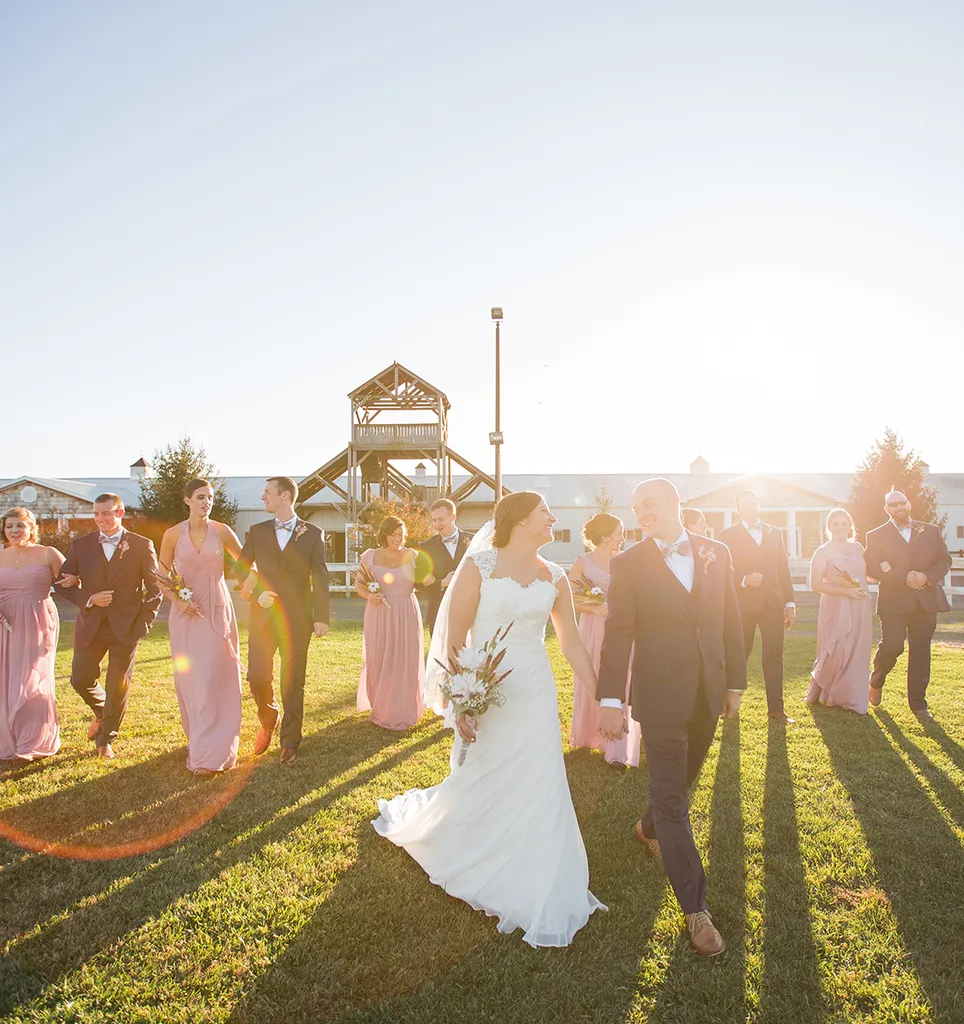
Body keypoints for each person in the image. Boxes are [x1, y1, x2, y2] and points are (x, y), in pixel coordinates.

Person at [372, 492, 606, 947]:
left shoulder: (555, 576)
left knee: (540, 775)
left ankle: (538, 866)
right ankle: (473, 843)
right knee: (486, 769)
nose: (552, 517)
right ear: (519, 520)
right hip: (487, 688)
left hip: (534, 689)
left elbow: (571, 643)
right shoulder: (479, 566)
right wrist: (463, 696)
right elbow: (456, 636)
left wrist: (602, 695)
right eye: (544, 512)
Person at [598, 479, 745, 957]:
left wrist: (734, 684)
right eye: (636, 507)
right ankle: (695, 908)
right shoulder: (627, 563)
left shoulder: (717, 552)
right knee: (672, 797)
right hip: (660, 695)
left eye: (650, 504)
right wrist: (611, 699)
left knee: (681, 783)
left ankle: (647, 827)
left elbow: (730, 620)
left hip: (708, 692)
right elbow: (618, 633)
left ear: (677, 503)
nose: (642, 513)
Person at [56, 493, 162, 759]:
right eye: (96, 514)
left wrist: (145, 623)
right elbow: (62, 584)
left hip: (127, 627)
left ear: (120, 513)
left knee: (117, 685)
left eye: (106, 513)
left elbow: (155, 589)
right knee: (80, 678)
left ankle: (106, 740)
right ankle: (102, 711)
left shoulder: (141, 545)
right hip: (91, 625)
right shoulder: (81, 544)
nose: (100, 519)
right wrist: (89, 598)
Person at [237, 476, 330, 766]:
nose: (263, 497)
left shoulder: (313, 533)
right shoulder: (257, 531)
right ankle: (269, 717)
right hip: (263, 618)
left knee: (292, 682)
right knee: (256, 676)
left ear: (285, 496)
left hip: (297, 620)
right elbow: (240, 568)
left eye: (268, 492)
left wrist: (321, 617)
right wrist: (257, 592)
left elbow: (320, 575)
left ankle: (290, 742)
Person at [158, 479, 244, 774]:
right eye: (200, 497)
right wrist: (178, 602)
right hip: (185, 613)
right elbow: (161, 575)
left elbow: (246, 562)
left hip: (216, 608)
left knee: (215, 674)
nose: (207, 502)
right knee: (192, 677)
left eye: (210, 497)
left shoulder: (222, 531)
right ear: (187, 500)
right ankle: (198, 737)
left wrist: (253, 581)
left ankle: (215, 749)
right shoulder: (172, 534)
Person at [865, 489, 951, 718]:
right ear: (887, 509)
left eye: (902, 503)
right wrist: (903, 578)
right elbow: (871, 566)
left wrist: (926, 577)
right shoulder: (875, 535)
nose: (898, 507)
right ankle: (876, 681)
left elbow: (944, 560)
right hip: (893, 602)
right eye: (893, 505)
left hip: (925, 600)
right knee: (893, 645)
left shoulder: (931, 531)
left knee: (921, 651)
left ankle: (918, 704)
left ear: (909, 504)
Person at [568, 512, 641, 766]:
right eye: (619, 532)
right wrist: (593, 606)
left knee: (622, 677)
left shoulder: (625, 561)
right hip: (594, 628)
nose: (623, 537)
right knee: (594, 676)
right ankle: (591, 735)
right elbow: (568, 598)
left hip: (622, 629)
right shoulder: (583, 562)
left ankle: (617, 746)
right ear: (607, 536)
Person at [719, 490, 795, 722]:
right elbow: (723, 571)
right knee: (739, 654)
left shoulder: (775, 533)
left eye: (753, 503)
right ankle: (728, 704)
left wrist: (790, 602)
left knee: (774, 655)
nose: (751, 507)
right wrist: (744, 579)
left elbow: (783, 568)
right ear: (738, 510)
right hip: (743, 606)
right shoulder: (727, 535)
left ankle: (776, 710)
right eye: (745, 505)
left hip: (773, 603)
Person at [0, 508, 64, 761]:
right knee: (8, 678)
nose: (14, 531)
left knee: (32, 676)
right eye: (9, 526)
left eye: (20, 525)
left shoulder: (48, 553)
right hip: (6, 624)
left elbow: (73, 583)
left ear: (31, 528)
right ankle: (10, 736)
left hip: (39, 622)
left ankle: (32, 740)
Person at [356, 516, 426, 730]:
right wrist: (370, 596)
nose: (397, 539)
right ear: (384, 535)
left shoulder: (413, 555)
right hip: (379, 612)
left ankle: (403, 707)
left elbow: (428, 579)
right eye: (393, 534)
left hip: (406, 611)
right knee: (379, 656)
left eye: (401, 535)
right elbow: (359, 585)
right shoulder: (370, 556)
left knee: (406, 657)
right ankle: (381, 706)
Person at [804, 509, 872, 714]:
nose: (841, 527)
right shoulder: (822, 552)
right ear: (829, 527)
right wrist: (845, 591)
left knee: (857, 648)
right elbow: (815, 584)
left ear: (850, 525)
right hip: (835, 605)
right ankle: (827, 690)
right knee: (837, 648)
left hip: (860, 604)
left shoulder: (858, 547)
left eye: (844, 523)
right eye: (836, 524)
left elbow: (868, 574)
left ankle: (851, 696)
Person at [416, 498, 472, 634]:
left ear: (453, 517)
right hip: (438, 611)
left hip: (470, 610)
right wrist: (442, 583)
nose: (437, 524)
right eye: (434, 520)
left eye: (440, 519)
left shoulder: (474, 541)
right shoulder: (426, 547)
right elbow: (417, 582)